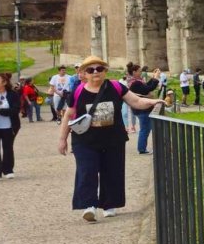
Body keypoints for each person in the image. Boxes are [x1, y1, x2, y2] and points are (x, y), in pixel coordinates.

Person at [57, 55, 162, 221]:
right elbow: (69, 115)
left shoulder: (116, 86)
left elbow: (136, 102)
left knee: (112, 171)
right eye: (90, 70)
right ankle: (89, 205)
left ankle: (109, 203)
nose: (95, 72)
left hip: (113, 138)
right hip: (85, 140)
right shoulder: (78, 91)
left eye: (99, 69)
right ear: (84, 74)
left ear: (105, 71)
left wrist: (154, 101)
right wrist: (62, 139)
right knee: (87, 170)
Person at [125, 63, 161, 155]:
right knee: (144, 129)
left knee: (146, 129)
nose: (141, 73)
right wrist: (156, 78)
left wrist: (153, 78)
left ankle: (142, 148)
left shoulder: (135, 81)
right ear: (134, 72)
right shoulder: (135, 82)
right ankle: (142, 149)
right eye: (139, 71)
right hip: (142, 109)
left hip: (141, 108)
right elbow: (148, 89)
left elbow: (146, 86)